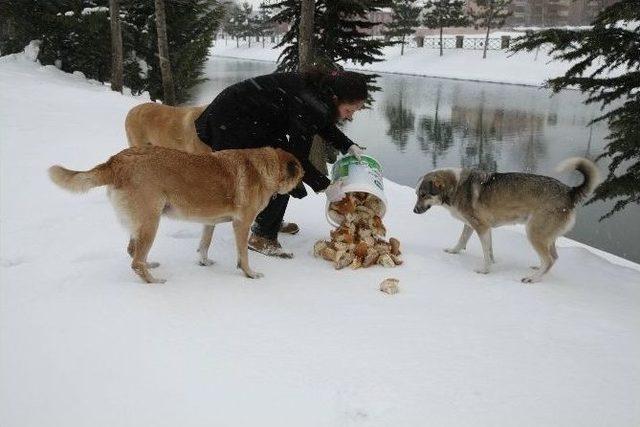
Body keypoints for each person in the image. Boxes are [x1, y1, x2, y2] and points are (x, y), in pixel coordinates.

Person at [194, 69, 367, 258]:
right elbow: (296, 159)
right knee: (284, 172)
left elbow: (322, 122)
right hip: (233, 119)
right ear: (335, 98)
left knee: (283, 166)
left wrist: (347, 145)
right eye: (349, 110)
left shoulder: (321, 94)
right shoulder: (311, 103)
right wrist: (326, 186)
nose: (350, 116)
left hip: (253, 118)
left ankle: (268, 220)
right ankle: (262, 234)